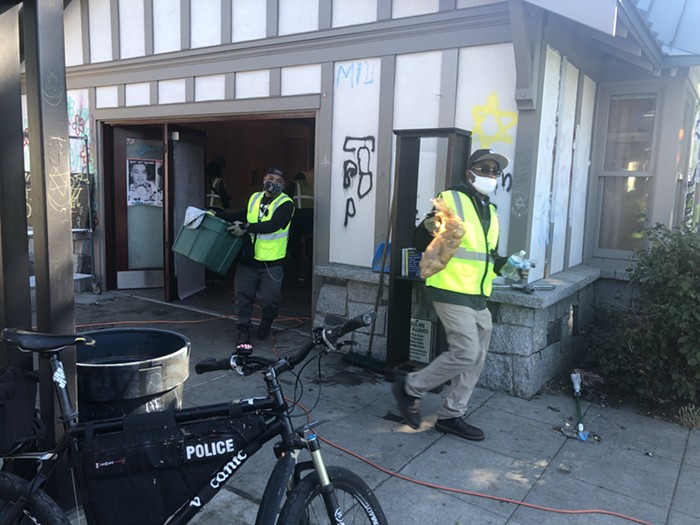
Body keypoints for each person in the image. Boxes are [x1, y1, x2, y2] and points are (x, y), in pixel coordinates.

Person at [392, 149, 529, 441]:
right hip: (450, 289)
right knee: (465, 351)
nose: (490, 174)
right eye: (485, 168)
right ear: (470, 172)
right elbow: (419, 238)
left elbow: (486, 257)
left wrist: (510, 267)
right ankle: (409, 387)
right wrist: (432, 227)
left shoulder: (491, 212)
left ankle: (451, 415)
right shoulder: (451, 199)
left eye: (495, 170)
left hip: (478, 296)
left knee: (475, 357)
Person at [227, 167, 294, 349]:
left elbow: (274, 225)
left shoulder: (286, 203)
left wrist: (247, 227)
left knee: (270, 299)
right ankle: (243, 330)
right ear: (264, 179)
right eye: (271, 178)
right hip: (248, 260)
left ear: (284, 185)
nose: (274, 183)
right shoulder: (255, 197)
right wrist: (217, 214)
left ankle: (267, 320)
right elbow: (243, 215)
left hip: (271, 263)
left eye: (279, 181)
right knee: (243, 297)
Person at [287, 172, 314, 279]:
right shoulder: (310, 187)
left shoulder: (293, 185)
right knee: (309, 238)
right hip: (311, 215)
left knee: (295, 239)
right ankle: (311, 259)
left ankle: (294, 261)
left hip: (297, 214)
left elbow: (285, 198)